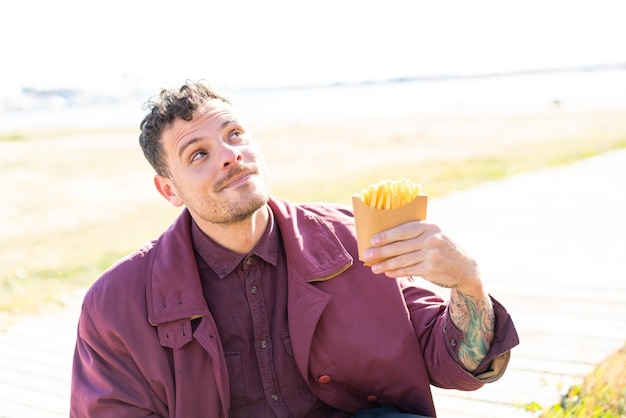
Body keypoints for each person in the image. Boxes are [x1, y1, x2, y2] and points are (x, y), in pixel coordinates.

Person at [70, 80, 519, 418]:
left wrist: (467, 284)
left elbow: (453, 361)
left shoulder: (354, 240)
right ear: (169, 190)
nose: (230, 154)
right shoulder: (114, 307)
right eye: (198, 154)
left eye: (235, 134)